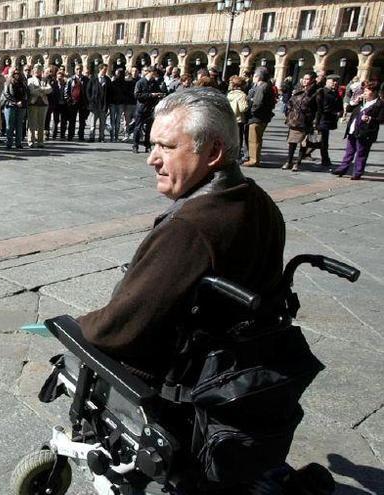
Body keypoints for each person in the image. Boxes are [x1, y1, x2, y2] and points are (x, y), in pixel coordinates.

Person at [76, 85, 285, 403]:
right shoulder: (259, 199)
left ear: (213, 153)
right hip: (235, 361)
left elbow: (121, 327)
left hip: (180, 376)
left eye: (167, 147)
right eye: (153, 145)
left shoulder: (190, 228)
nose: (152, 159)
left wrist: (77, 325)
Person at [332, 81, 384, 180]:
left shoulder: (379, 104)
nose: (364, 92)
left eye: (367, 90)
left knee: (361, 153)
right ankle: (342, 169)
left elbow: (381, 119)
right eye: (364, 90)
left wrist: (370, 119)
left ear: (374, 92)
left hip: (366, 133)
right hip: (353, 130)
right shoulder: (361, 101)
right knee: (349, 152)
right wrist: (354, 101)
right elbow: (348, 109)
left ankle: (357, 172)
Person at [282, 72, 318, 172]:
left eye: (308, 79)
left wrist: (313, 121)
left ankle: (297, 162)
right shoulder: (298, 89)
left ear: (312, 80)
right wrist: (289, 113)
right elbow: (290, 102)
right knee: (292, 143)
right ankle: (289, 161)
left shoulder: (315, 92)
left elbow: (317, 108)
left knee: (303, 143)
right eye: (304, 78)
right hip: (294, 120)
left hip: (305, 121)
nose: (305, 81)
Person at [242, 68, 275, 167]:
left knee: (254, 139)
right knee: (255, 138)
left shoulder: (262, 87)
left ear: (258, 77)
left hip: (257, 117)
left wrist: (251, 112)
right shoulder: (264, 86)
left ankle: (254, 160)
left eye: (255, 76)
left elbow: (257, 103)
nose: (253, 78)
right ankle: (254, 158)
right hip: (261, 117)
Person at [132, 67, 166, 153]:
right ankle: (135, 146)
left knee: (149, 128)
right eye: (154, 73)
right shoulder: (140, 82)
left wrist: (160, 95)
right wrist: (151, 95)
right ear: (150, 72)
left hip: (151, 109)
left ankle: (147, 145)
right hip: (141, 108)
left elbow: (158, 91)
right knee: (138, 127)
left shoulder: (155, 82)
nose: (155, 75)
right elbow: (137, 95)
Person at [314, 75, 343, 170]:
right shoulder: (321, 92)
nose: (335, 83)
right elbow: (318, 107)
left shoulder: (336, 94)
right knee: (323, 141)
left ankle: (305, 154)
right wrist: (315, 122)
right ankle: (325, 159)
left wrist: (340, 112)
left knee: (317, 140)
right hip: (321, 119)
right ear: (327, 82)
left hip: (329, 120)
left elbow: (340, 106)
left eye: (336, 81)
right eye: (333, 81)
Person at [2, 66, 28, 150]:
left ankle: (18, 143)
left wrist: (22, 102)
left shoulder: (23, 82)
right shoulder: (8, 82)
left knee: (19, 125)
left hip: (21, 106)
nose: (17, 74)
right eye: (15, 73)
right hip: (10, 106)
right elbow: (6, 94)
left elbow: (26, 94)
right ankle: (9, 143)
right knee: (10, 126)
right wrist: (16, 102)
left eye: (18, 73)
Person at [26, 64, 52, 148]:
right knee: (32, 124)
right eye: (36, 69)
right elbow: (32, 91)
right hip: (33, 103)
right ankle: (31, 141)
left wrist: (40, 89)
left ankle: (40, 141)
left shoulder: (45, 80)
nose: (38, 71)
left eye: (40, 69)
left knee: (41, 124)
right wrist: (42, 90)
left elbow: (50, 89)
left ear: (42, 71)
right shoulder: (30, 80)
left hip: (43, 104)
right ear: (33, 70)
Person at [87, 63, 111, 143]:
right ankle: (91, 137)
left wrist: (108, 103)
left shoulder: (107, 79)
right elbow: (88, 90)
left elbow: (110, 92)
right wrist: (90, 100)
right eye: (104, 69)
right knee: (93, 123)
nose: (105, 71)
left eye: (106, 70)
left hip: (103, 105)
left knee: (102, 123)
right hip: (94, 105)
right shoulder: (93, 78)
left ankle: (101, 137)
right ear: (100, 69)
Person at [227, 75, 249, 164]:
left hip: (230, 118)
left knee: (230, 137)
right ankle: (237, 156)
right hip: (239, 119)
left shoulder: (229, 94)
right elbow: (243, 108)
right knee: (238, 138)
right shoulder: (242, 95)